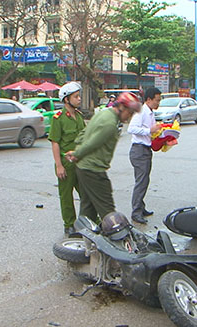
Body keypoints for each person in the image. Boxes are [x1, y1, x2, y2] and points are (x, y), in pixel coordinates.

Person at [66, 92, 141, 222]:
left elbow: (82, 135)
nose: (130, 116)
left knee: (88, 208)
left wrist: (77, 151)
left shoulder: (103, 113)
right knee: (108, 211)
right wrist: (77, 154)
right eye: (130, 112)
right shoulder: (110, 124)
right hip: (93, 171)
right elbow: (92, 144)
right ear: (121, 107)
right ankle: (119, 239)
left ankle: (83, 237)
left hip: (83, 168)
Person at [48, 82, 86, 236]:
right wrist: (59, 166)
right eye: (76, 97)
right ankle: (69, 224)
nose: (79, 99)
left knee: (86, 193)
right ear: (66, 100)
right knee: (66, 195)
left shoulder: (79, 116)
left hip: (80, 162)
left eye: (79, 96)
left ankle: (90, 221)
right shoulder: (59, 118)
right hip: (66, 162)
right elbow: (55, 142)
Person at [127, 87, 162, 224]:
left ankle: (141, 207)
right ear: (149, 99)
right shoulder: (141, 112)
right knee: (141, 182)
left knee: (144, 181)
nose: (158, 103)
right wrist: (149, 130)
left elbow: (151, 132)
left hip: (146, 150)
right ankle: (136, 212)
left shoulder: (150, 113)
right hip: (139, 150)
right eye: (157, 100)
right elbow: (131, 129)